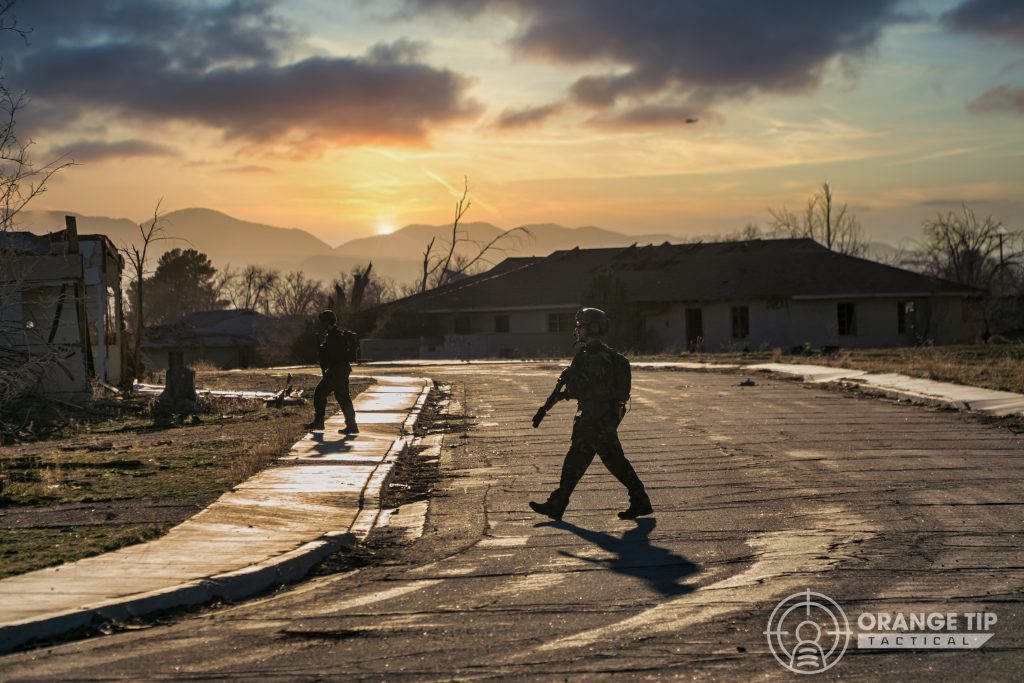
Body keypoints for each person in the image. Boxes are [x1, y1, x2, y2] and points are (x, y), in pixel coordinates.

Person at [530, 307, 652, 521]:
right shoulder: (596, 355)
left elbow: (580, 388)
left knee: (590, 461)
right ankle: (559, 503)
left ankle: (558, 504)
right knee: (596, 461)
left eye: (581, 326)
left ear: (592, 328)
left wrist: (553, 403)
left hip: (595, 421)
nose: (577, 330)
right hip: (598, 420)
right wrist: (545, 408)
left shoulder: (594, 358)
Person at [305, 310, 358, 434]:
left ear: (328, 322)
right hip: (336, 370)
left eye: (323, 322)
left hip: (338, 370)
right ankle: (320, 422)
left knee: (341, 397)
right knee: (321, 393)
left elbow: (335, 355)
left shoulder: (335, 336)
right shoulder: (331, 335)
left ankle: (351, 425)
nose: (322, 324)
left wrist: (324, 351)